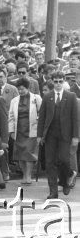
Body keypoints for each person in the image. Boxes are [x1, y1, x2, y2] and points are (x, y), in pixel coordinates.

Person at [37, 71, 78, 199]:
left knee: (64, 160)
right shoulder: (47, 96)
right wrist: (39, 135)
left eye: (60, 81)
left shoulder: (71, 96)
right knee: (50, 162)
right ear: (53, 82)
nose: (58, 84)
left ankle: (66, 180)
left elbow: (75, 118)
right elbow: (42, 117)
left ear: (64, 81)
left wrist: (76, 136)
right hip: (50, 135)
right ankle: (53, 191)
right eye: (56, 81)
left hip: (65, 134)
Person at [9, 77, 42, 185]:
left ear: (27, 88)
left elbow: (41, 113)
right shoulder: (14, 100)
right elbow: (11, 117)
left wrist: (39, 130)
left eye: (22, 89)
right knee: (20, 154)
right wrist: (11, 131)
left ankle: (28, 175)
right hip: (18, 130)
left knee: (29, 154)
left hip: (32, 129)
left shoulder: (36, 98)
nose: (20, 91)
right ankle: (24, 174)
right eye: (19, 89)